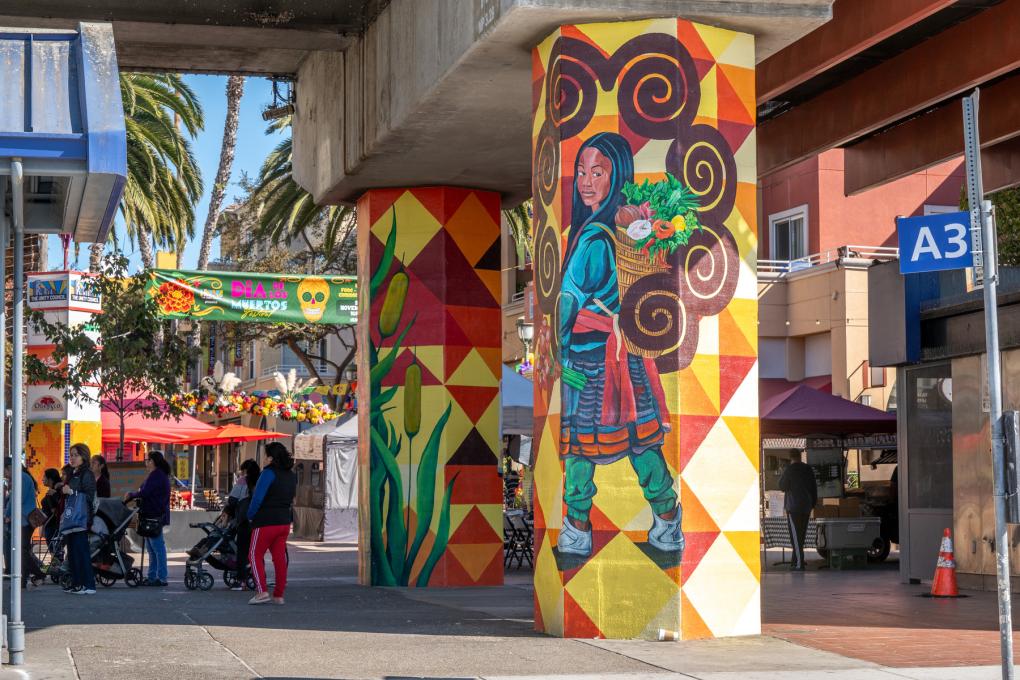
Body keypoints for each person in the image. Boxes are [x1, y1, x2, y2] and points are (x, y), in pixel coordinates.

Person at [556, 132, 682, 559]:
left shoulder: (594, 239)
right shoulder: (621, 233)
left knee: (579, 446)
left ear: (617, 177)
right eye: (580, 172)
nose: (586, 181)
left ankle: (576, 529)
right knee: (641, 440)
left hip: (589, 357)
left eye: (598, 172)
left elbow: (568, 300)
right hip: (625, 356)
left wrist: (555, 348)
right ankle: (667, 520)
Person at [247, 443, 296, 605]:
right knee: (279, 557)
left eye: (266, 455)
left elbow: (257, 498)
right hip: (284, 521)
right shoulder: (291, 475)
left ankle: (261, 592)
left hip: (265, 520)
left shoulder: (268, 473)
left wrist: (250, 515)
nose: (264, 458)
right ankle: (279, 595)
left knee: (254, 555)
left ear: (271, 457)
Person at [125, 451, 171, 587]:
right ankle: (152, 577)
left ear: (153, 461)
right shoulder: (156, 475)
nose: (146, 462)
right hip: (151, 514)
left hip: (154, 515)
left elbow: (145, 492)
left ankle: (161, 577)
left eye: (147, 460)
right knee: (152, 548)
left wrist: (132, 495)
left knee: (157, 547)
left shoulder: (157, 476)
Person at [4, 461, 46, 587]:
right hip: (25, 519)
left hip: (23, 520)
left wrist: (8, 515)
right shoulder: (24, 477)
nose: (5, 474)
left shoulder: (20, 477)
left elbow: (17, 499)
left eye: (5, 470)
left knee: (21, 551)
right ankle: (21, 581)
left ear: (10, 468)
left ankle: (39, 574)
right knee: (23, 550)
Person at [62, 443, 97, 594]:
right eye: (71, 455)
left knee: (81, 551)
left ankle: (88, 585)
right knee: (72, 552)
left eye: (76, 455)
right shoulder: (72, 473)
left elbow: (89, 496)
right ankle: (77, 583)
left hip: (81, 518)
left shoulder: (87, 474)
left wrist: (72, 492)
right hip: (71, 518)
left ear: (84, 456)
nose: (73, 458)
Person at [778, 452, 818, 571]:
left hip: (794, 506)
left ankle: (799, 564)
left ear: (791, 458)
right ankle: (794, 561)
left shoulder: (789, 469)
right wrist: (812, 504)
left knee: (795, 536)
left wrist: (783, 473)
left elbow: (782, 486)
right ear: (800, 456)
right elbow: (814, 488)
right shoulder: (808, 469)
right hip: (806, 506)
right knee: (801, 535)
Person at [232, 459, 261, 590]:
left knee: (242, 552)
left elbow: (232, 500)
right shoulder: (261, 481)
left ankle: (241, 580)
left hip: (244, 522)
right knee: (256, 552)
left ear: (245, 471)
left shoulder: (242, 481)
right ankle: (259, 577)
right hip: (259, 522)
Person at [40, 468, 63, 550]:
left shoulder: (54, 492)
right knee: (54, 550)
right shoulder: (52, 491)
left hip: (53, 526)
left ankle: (56, 562)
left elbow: (54, 510)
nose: (42, 479)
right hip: (49, 525)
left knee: (55, 550)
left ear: (50, 479)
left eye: (44, 477)